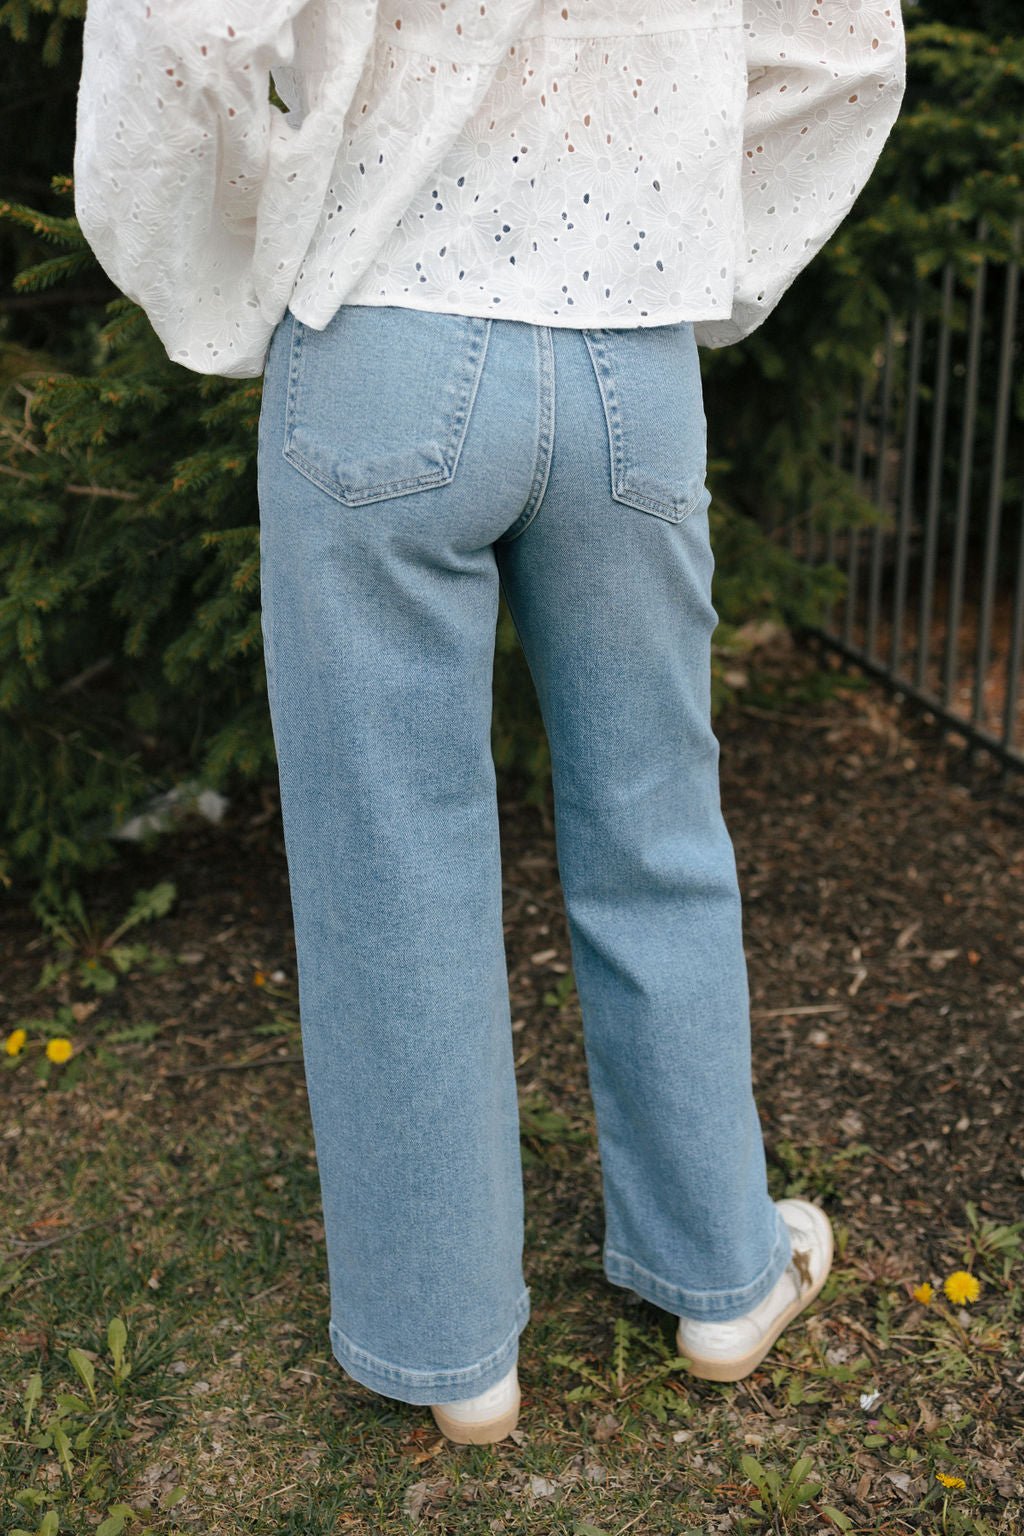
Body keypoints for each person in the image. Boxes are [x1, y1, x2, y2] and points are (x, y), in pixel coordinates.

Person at [73, 0, 907, 1445]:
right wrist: (693, 243)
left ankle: (452, 1353)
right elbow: (847, 49)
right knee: (657, 819)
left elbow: (183, 32)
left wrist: (241, 265)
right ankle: (722, 1277)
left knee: (387, 856)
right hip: (633, 352)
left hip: (379, 326)